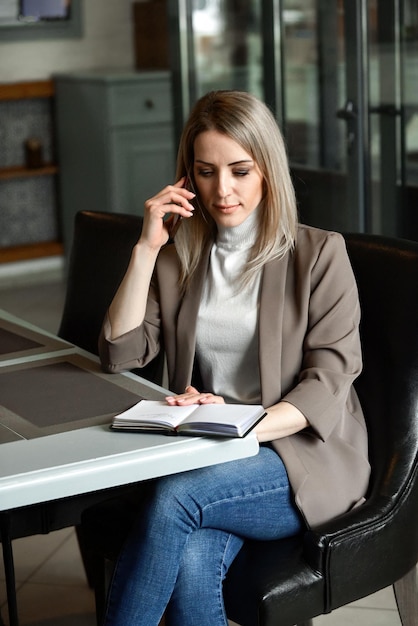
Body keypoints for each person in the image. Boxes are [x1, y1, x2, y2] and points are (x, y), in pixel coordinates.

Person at [98, 90, 370, 626]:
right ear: (187, 178)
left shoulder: (319, 254)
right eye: (205, 172)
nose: (223, 190)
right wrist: (147, 249)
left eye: (240, 171)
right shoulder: (183, 257)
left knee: (176, 501)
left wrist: (235, 423)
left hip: (299, 455)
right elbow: (120, 350)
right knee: (195, 555)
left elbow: (327, 384)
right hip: (215, 448)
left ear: (267, 170)